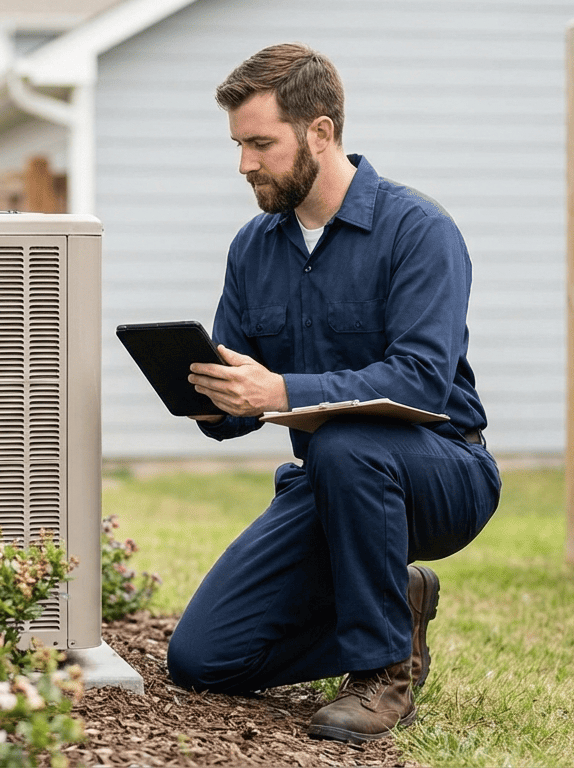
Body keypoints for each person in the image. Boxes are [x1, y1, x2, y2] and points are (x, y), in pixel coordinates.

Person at [165, 43, 501, 744]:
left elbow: (420, 379)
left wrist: (279, 387)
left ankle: (384, 672)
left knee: (347, 439)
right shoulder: (254, 249)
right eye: (238, 144)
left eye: (261, 143)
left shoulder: (418, 231)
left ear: (320, 132)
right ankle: (388, 608)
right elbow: (243, 404)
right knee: (202, 658)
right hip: (330, 482)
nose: (244, 164)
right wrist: (213, 399)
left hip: (443, 474)